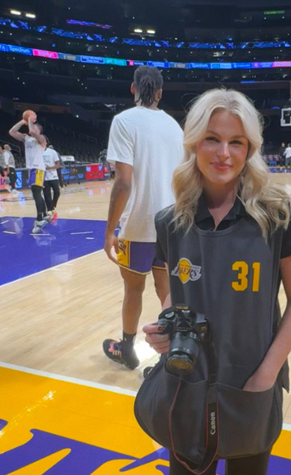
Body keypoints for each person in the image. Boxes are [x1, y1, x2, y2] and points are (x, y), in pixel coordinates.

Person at [143, 88, 291, 475]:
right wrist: (167, 327)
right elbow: (171, 289)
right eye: (212, 139)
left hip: (252, 382)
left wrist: (267, 374)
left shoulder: (275, 213)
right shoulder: (171, 221)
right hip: (188, 385)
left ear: (251, 147)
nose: (224, 154)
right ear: (193, 143)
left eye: (238, 142)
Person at [102, 65, 184, 369]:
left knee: (133, 289)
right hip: (171, 224)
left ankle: (127, 348)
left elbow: (123, 182)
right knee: (168, 291)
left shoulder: (123, 121)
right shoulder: (175, 127)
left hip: (137, 225)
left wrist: (110, 229)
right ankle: (171, 353)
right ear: (160, 93)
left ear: (133, 88)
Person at [9, 113, 53, 234]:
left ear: (39, 130)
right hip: (32, 169)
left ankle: (39, 219)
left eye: (35, 127)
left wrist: (30, 121)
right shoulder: (26, 138)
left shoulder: (42, 138)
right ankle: (43, 215)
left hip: (38, 168)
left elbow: (33, 132)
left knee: (36, 193)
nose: (32, 129)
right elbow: (12, 132)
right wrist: (22, 121)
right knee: (37, 193)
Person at [43, 138, 61, 217]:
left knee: (57, 192)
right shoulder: (37, 152)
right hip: (43, 177)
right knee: (46, 194)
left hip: (53, 176)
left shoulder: (52, 152)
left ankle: (53, 205)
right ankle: (49, 209)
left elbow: (58, 164)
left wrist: (50, 167)